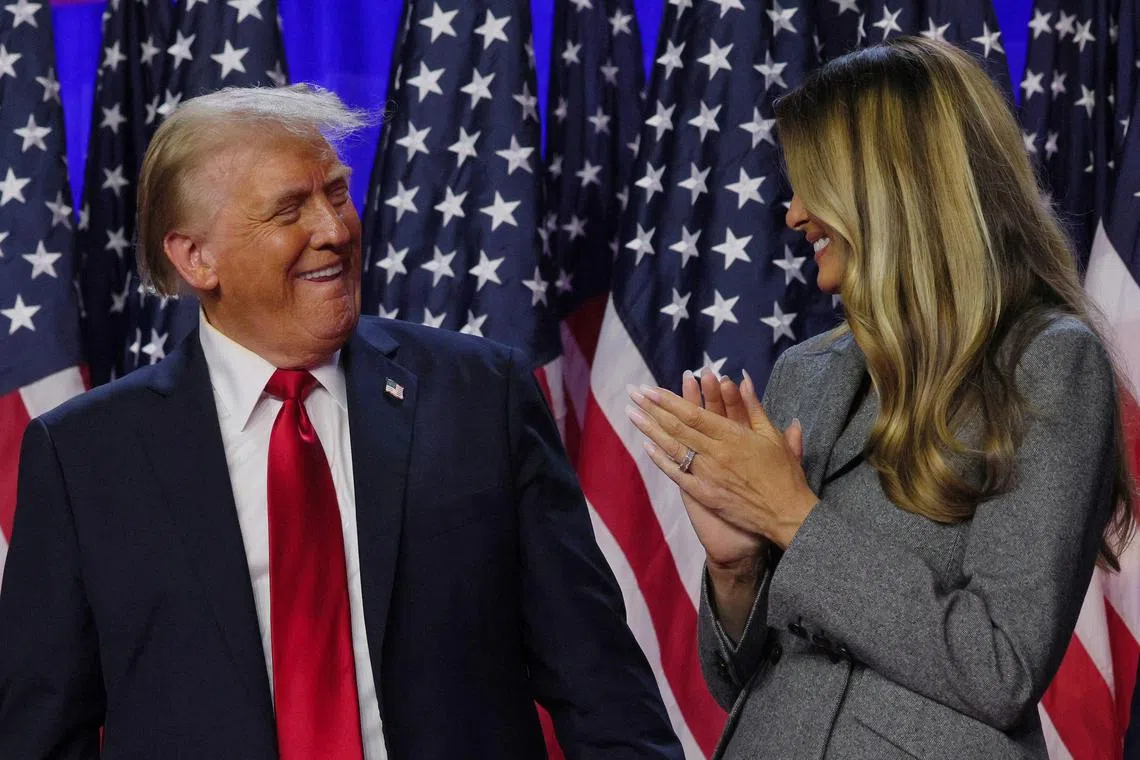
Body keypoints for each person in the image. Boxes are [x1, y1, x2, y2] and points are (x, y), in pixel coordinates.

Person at [0, 84, 684, 760]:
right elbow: (42, 731)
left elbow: (599, 684)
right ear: (195, 258)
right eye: (290, 209)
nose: (334, 230)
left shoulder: (480, 396)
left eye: (335, 192)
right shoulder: (85, 457)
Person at [627, 37, 1134, 759]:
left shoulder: (1046, 361)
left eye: (814, 185)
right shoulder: (806, 369)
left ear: (894, 185)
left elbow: (1002, 668)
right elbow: (743, 677)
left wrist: (793, 518)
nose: (795, 214)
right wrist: (735, 570)